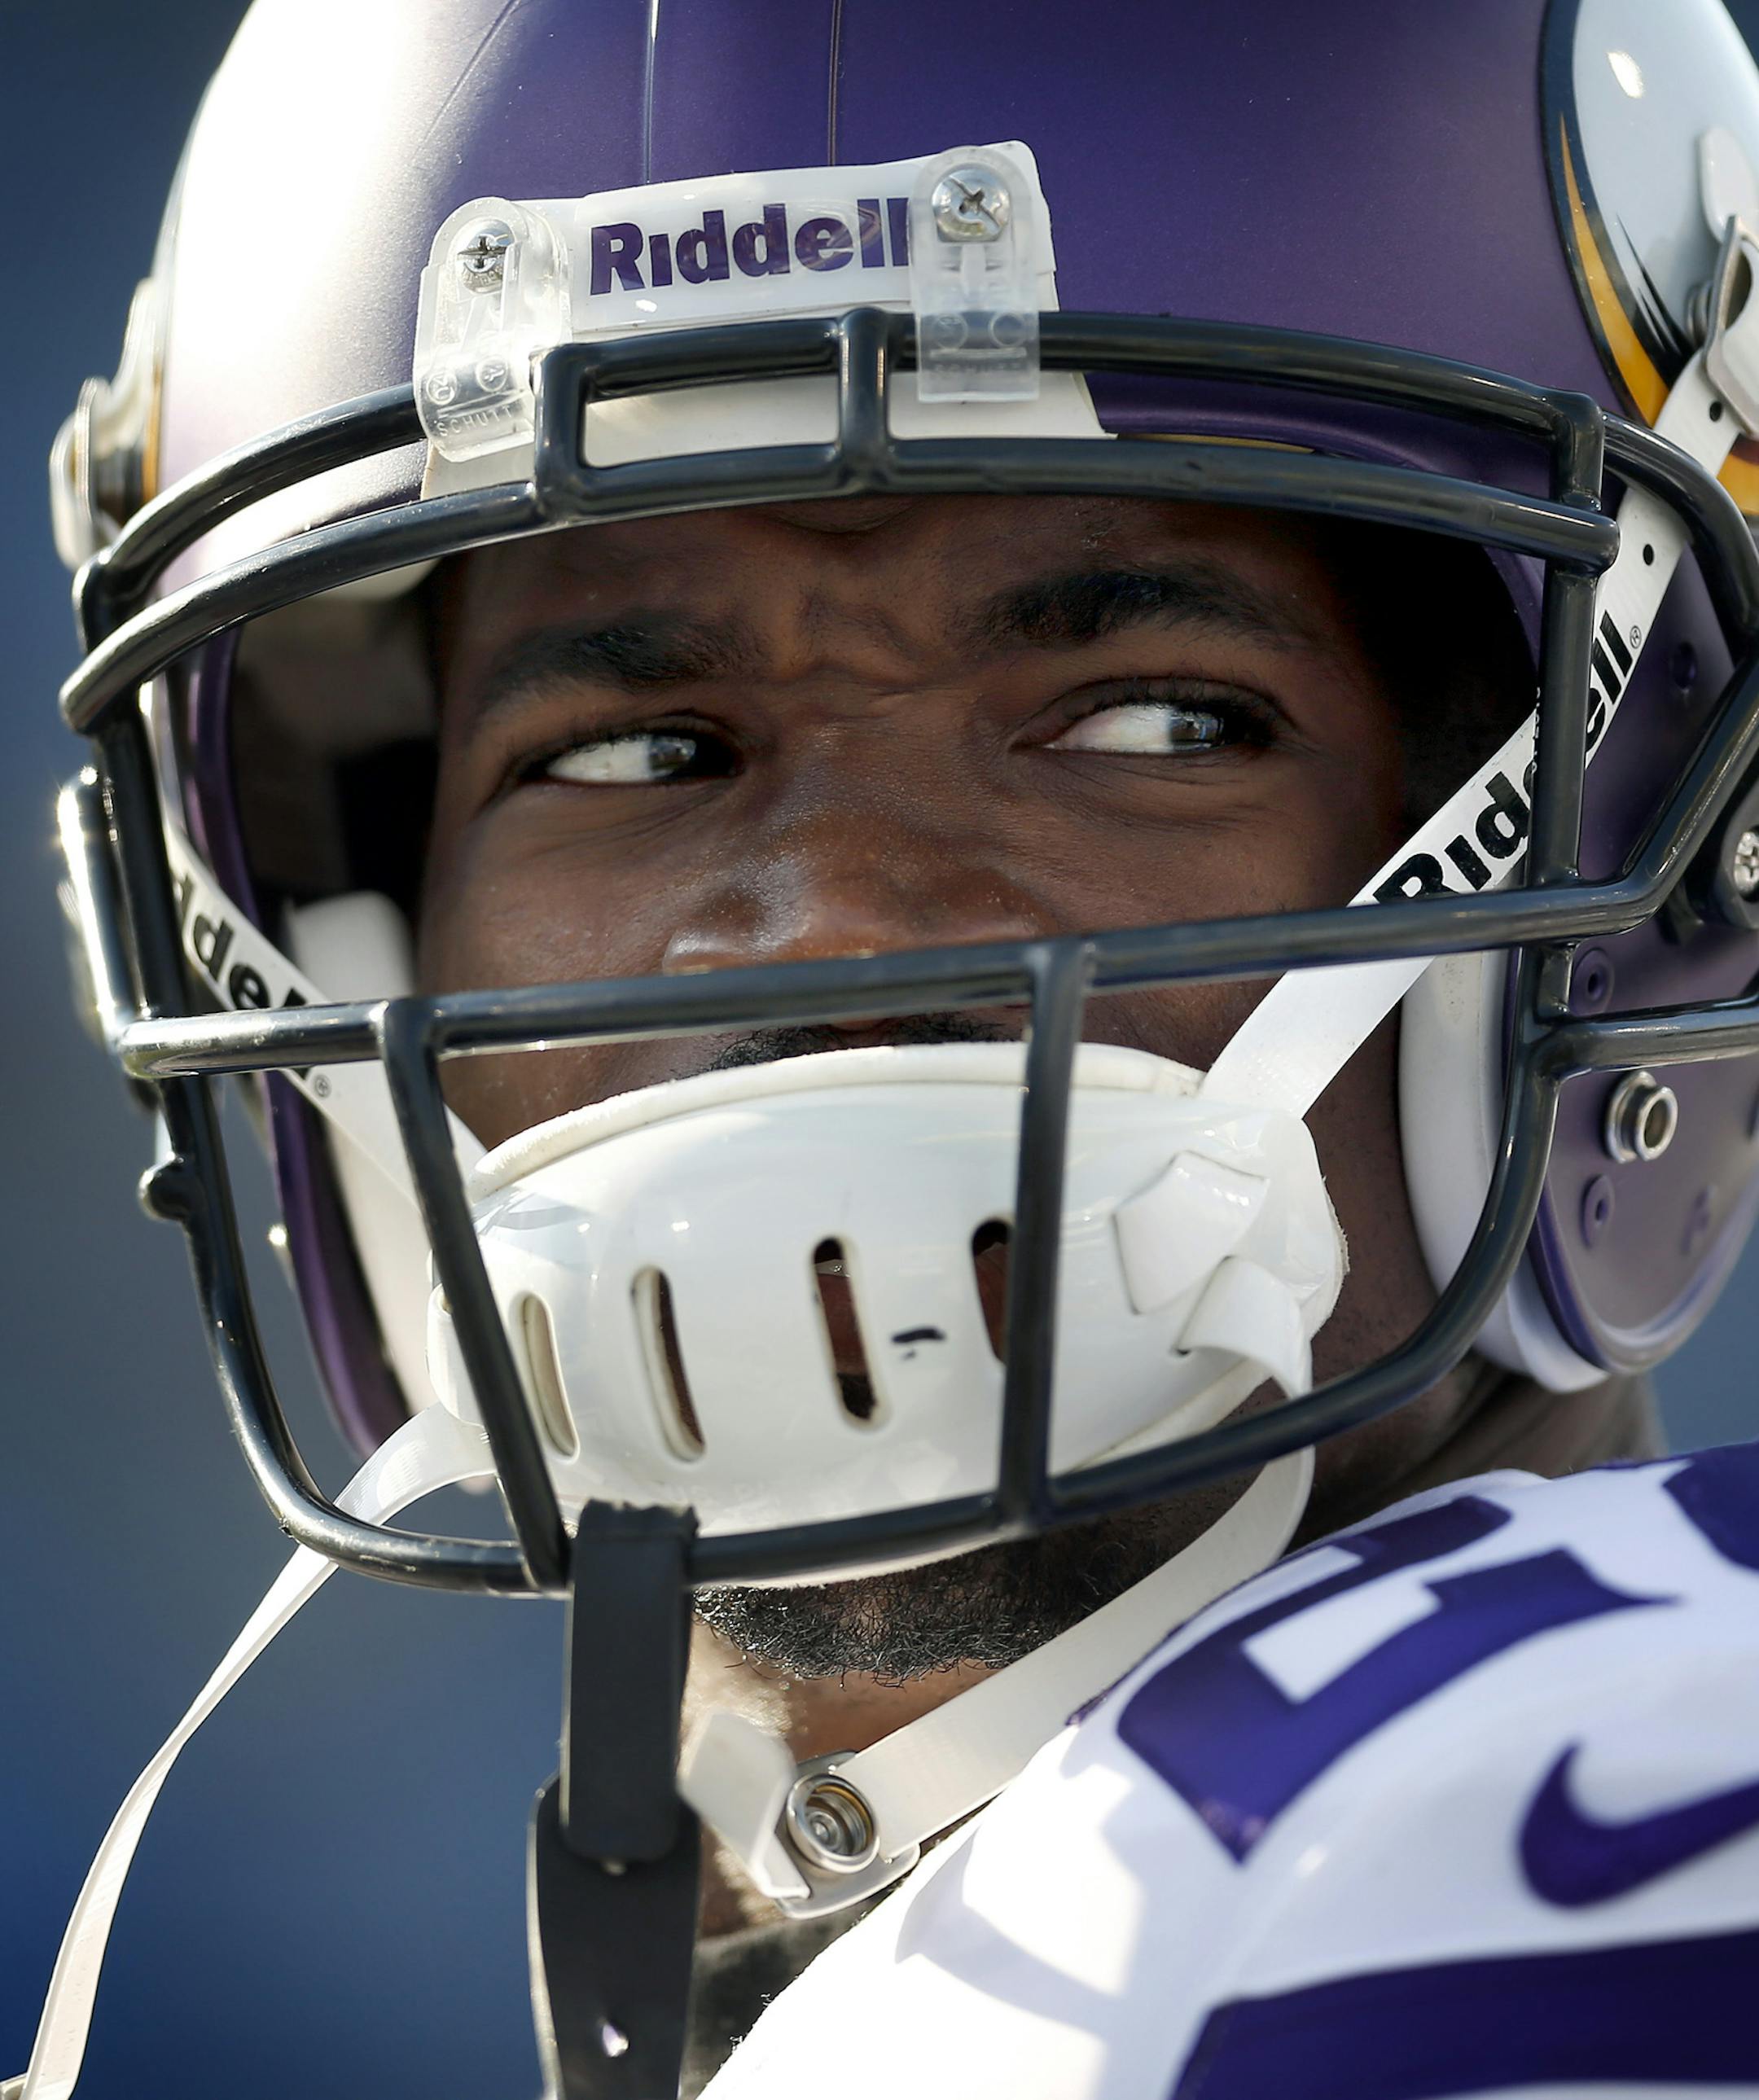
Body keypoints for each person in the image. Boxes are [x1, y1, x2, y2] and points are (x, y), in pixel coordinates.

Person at [24, 0, 1759, 2093]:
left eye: (1153, 721)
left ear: (1651, 848)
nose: (837, 908)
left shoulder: (1586, 1818)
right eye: (637, 752)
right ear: (331, 932)